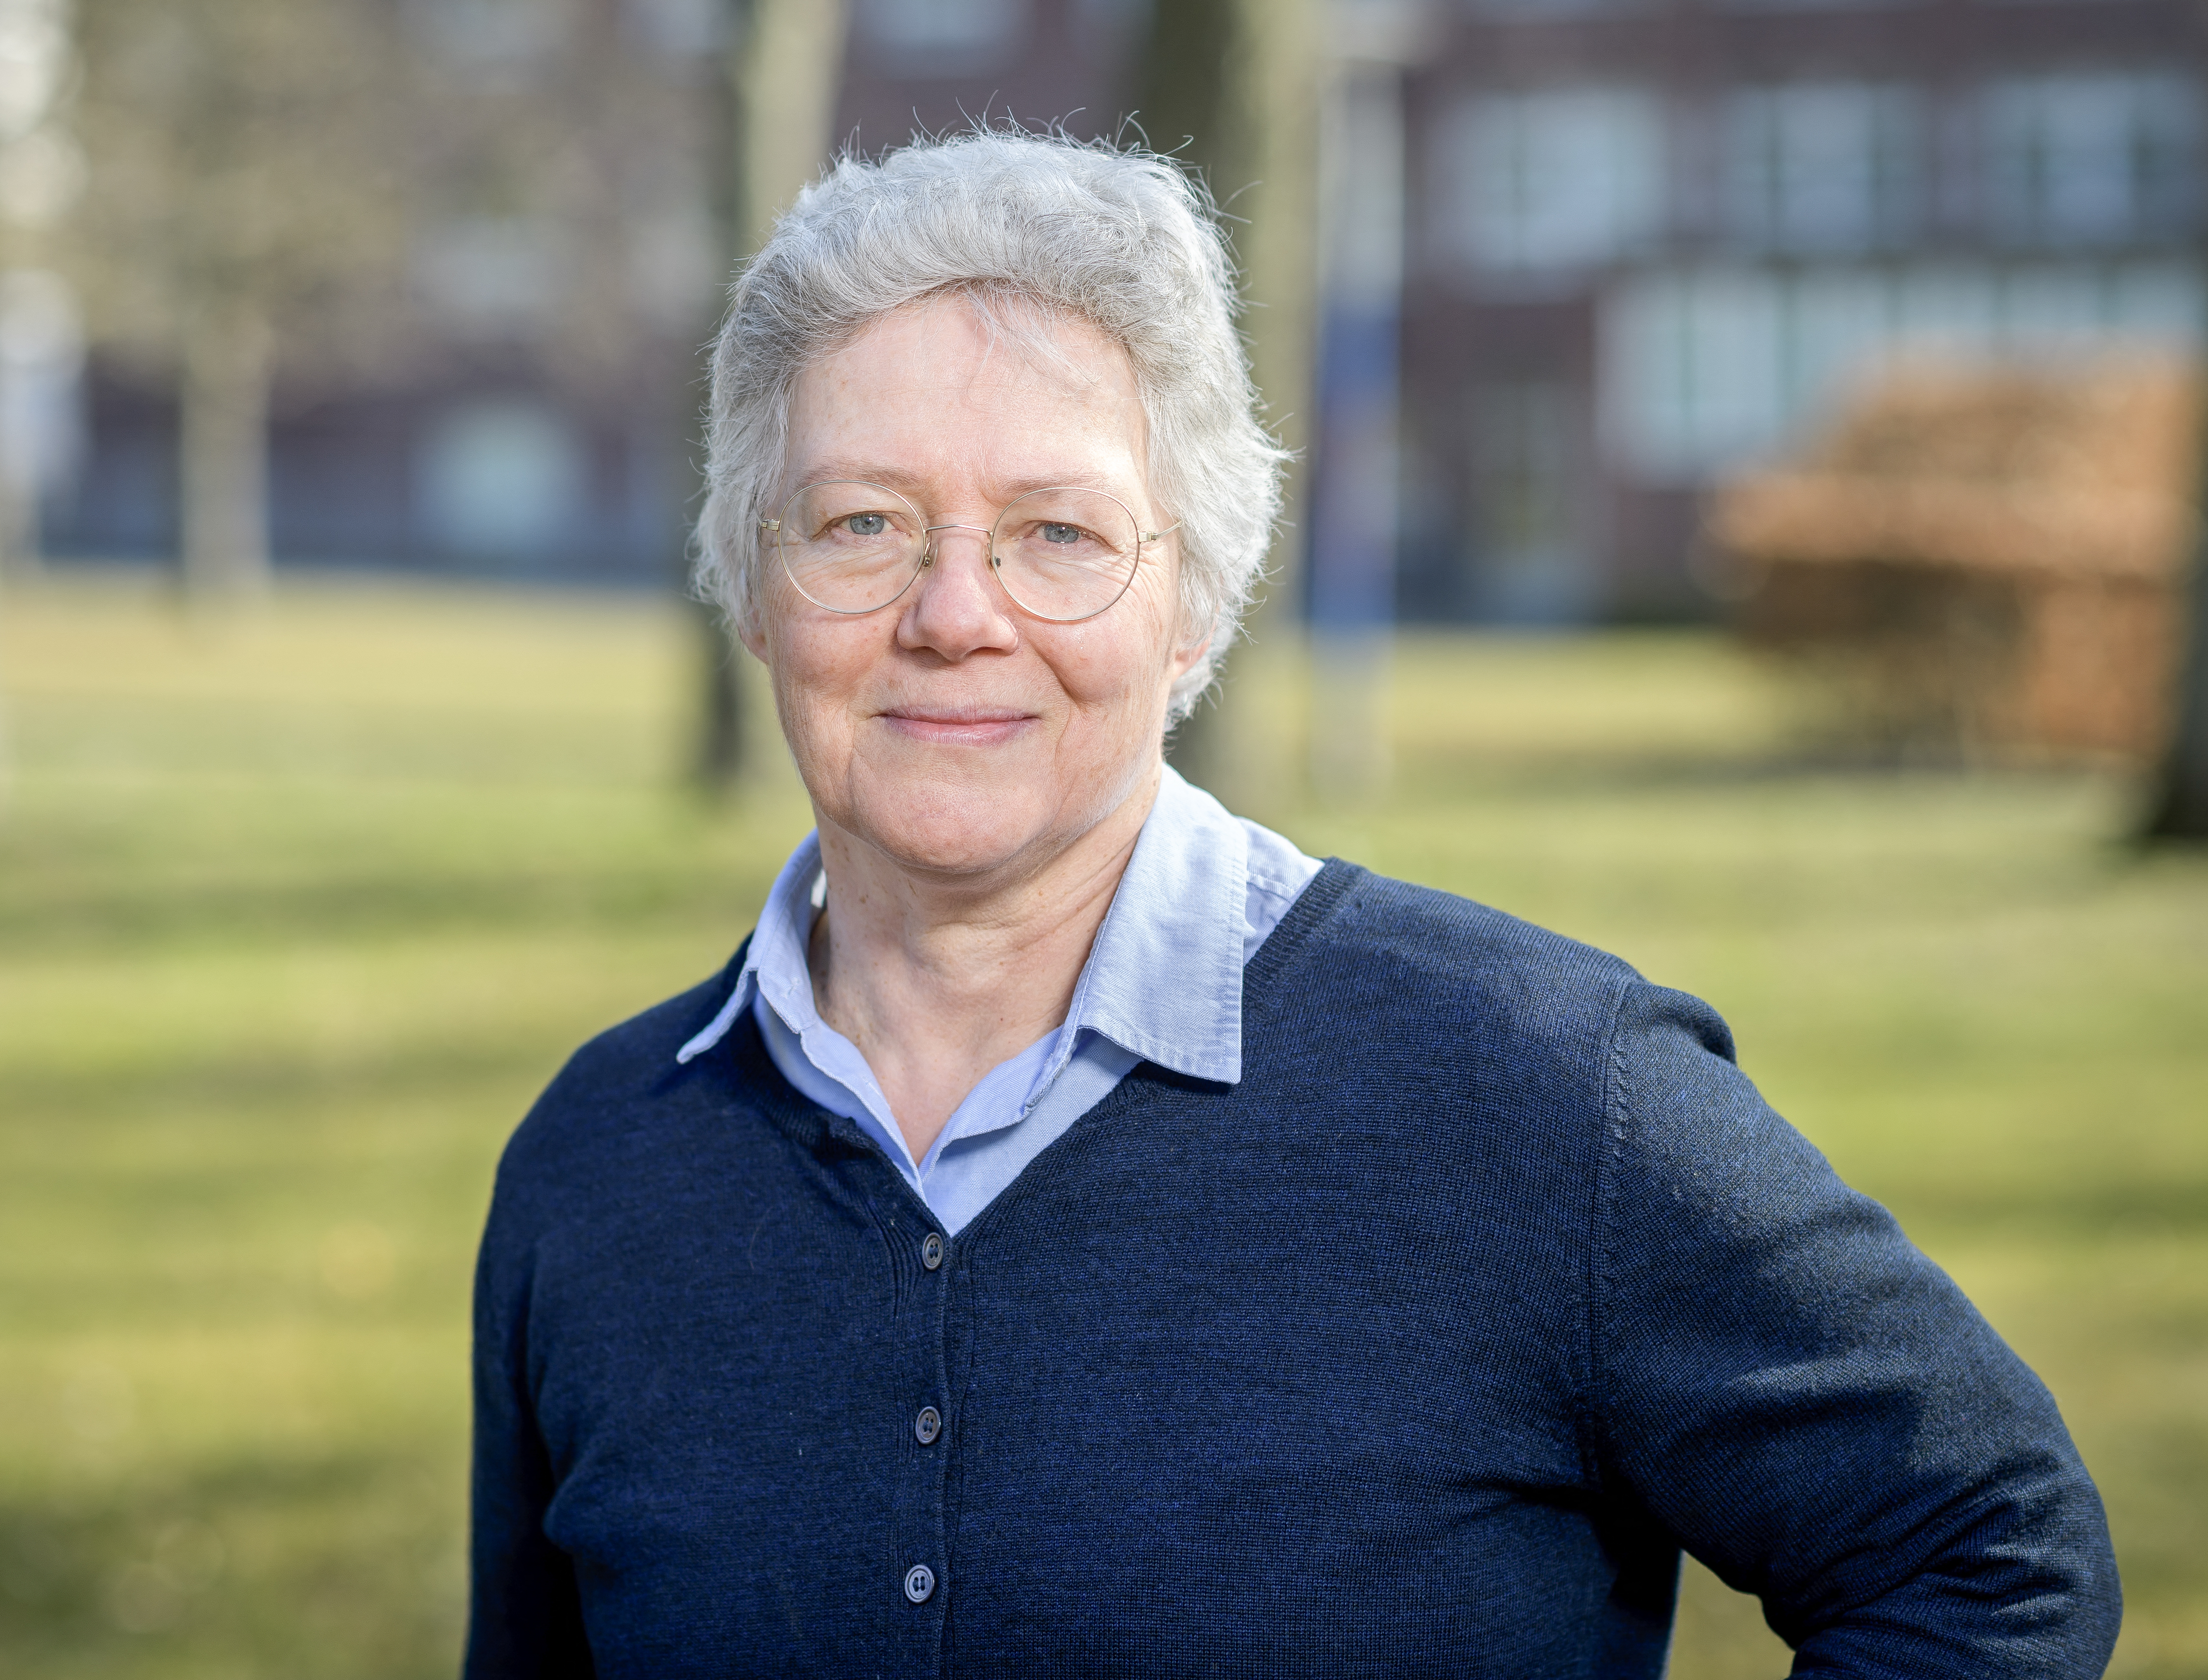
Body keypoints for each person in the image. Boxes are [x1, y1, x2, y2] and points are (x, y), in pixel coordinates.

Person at [465, 132, 2118, 1678]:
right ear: (754, 588)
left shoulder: (1542, 1090)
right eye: (862, 524)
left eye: (1058, 532)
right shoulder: (598, 1164)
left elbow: (1990, 1549)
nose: (953, 613)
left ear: (1194, 604)